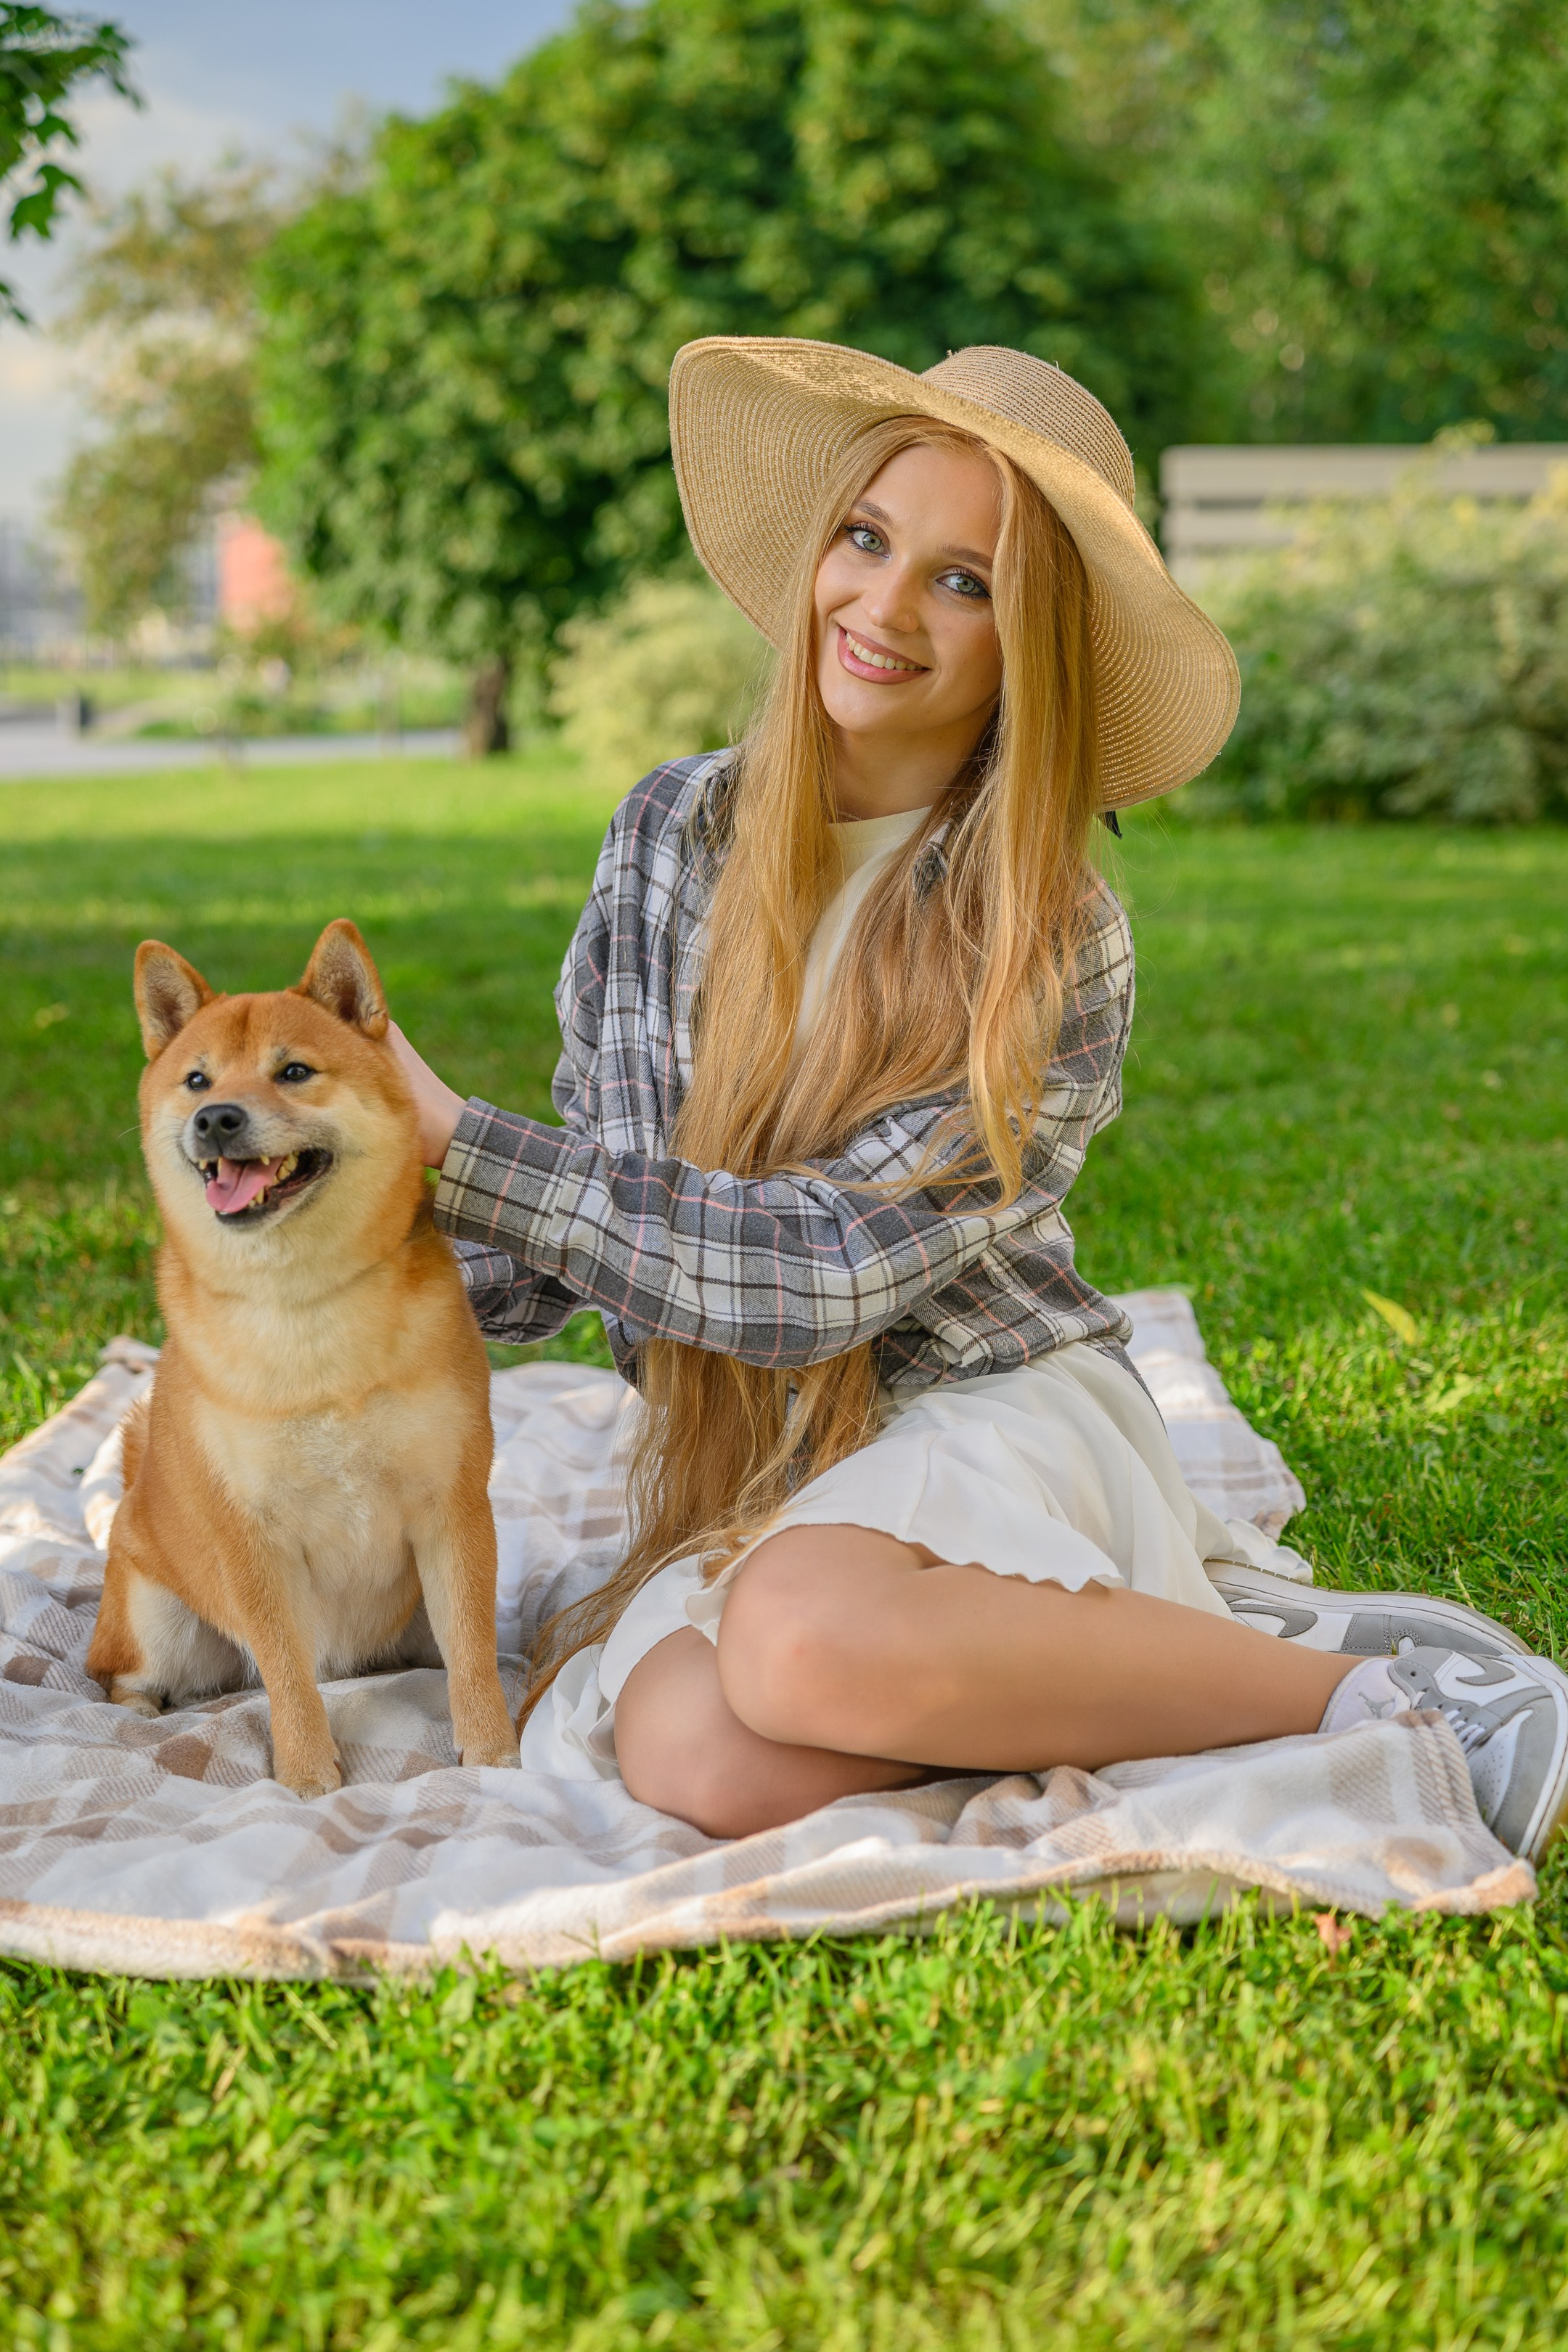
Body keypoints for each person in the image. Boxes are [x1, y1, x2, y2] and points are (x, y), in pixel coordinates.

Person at [390, 336, 1568, 1861]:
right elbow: (601, 1207)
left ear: (1033, 643)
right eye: (869, 540)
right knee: (695, 1752)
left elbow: (824, 1271)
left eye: (964, 582)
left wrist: (465, 1148)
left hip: (975, 1401)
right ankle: (1067, 1679)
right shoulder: (673, 833)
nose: (883, 607)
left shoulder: (1053, 931)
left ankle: (1381, 1697)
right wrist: (339, 1235)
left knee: (801, 1645)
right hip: (766, 1458)